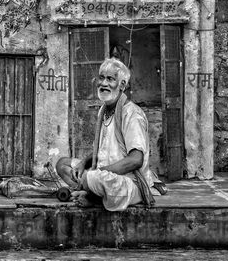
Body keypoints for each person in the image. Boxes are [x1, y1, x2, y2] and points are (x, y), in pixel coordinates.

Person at [56, 58, 166, 211]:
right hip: (103, 174)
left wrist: (98, 172)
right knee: (62, 164)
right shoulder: (104, 110)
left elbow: (136, 160)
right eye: (101, 78)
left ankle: (93, 195)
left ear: (122, 85)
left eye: (110, 79)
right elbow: (103, 149)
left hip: (128, 183)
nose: (104, 83)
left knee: (92, 177)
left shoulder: (131, 113)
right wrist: (83, 164)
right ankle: (91, 189)